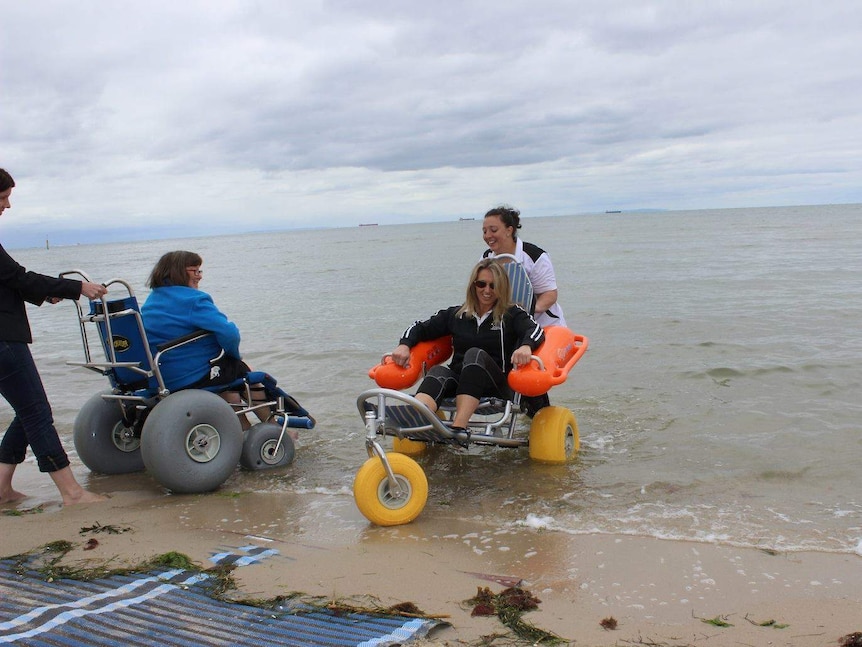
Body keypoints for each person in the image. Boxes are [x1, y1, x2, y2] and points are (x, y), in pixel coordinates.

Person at [0, 168, 108, 506]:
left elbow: (11, 281)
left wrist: (45, 294)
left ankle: (1, 489)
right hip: (4, 339)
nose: (7, 205)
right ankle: (72, 493)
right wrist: (78, 288)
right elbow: (18, 276)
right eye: (3, 198)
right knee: (35, 410)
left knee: (28, 409)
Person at [390, 258, 544, 435]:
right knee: (438, 372)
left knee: (474, 355)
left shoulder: (512, 314)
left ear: (502, 288)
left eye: (493, 286)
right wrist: (404, 345)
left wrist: (526, 346)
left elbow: (536, 330)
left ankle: (458, 429)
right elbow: (420, 327)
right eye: (481, 284)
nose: (487, 290)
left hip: (496, 385)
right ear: (473, 285)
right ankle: (415, 422)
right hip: (461, 382)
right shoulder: (457, 315)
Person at [141, 251, 267, 430]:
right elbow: (230, 333)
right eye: (195, 271)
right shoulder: (194, 300)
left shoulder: (152, 301)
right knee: (241, 370)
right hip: (186, 377)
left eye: (200, 271)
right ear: (177, 271)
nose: (199, 276)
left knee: (225, 377)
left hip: (158, 378)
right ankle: (273, 424)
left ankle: (242, 427)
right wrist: (233, 356)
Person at [481, 205, 567, 329]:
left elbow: (550, 294)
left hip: (545, 325)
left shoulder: (534, 256)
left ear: (509, 230)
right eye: (484, 231)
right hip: (508, 326)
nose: (488, 235)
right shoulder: (486, 258)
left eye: (493, 230)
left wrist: (526, 313)